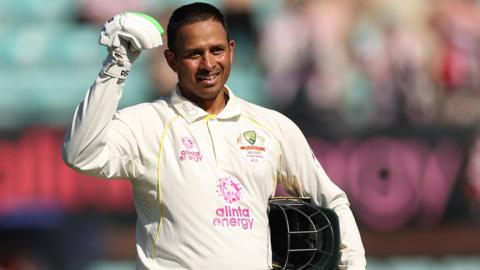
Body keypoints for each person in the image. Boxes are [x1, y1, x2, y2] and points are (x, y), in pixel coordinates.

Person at [62, 2, 366, 269]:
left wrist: (352, 265)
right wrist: (116, 66)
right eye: (194, 54)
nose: (208, 64)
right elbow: (81, 153)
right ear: (171, 60)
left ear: (231, 49)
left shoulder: (272, 125)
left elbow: (333, 201)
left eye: (216, 50)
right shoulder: (147, 123)